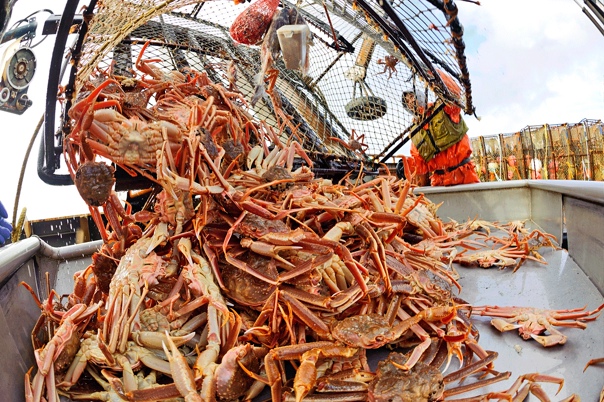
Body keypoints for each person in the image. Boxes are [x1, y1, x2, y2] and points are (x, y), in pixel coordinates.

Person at [403, 87, 480, 187]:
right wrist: (406, 165)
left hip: (464, 174)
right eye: (407, 101)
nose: (411, 101)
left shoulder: (443, 108)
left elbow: (454, 93)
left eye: (412, 96)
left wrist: (433, 75)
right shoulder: (415, 131)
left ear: (421, 95)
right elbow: (420, 165)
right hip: (439, 180)